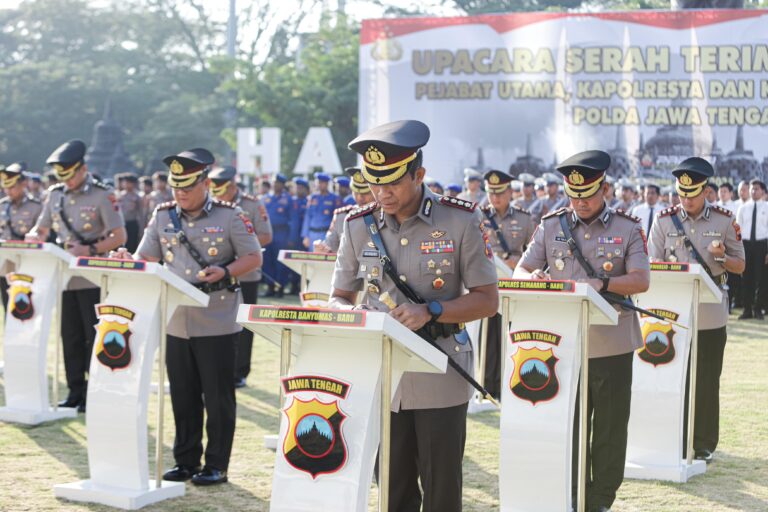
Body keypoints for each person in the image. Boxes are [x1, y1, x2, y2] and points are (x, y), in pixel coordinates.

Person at [329, 120, 499, 512]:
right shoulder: (358, 226)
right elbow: (337, 297)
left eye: (392, 183)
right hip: (383, 379)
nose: (382, 193)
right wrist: (353, 315)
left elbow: (487, 300)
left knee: (441, 490)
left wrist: (431, 310)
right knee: (392, 488)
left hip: (440, 371)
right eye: (374, 183)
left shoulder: (460, 220)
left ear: (418, 174)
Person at [112, 147, 262, 486]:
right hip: (176, 320)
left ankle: (217, 465)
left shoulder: (230, 216)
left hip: (217, 318)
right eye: (175, 187)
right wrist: (127, 257)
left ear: (205, 183)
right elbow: (146, 257)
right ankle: (186, 461)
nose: (180, 194)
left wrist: (224, 270)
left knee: (218, 397)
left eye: (187, 187)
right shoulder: (163, 216)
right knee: (182, 393)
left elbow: (253, 257)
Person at [514, 150, 651, 512]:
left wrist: (601, 282)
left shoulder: (627, 227)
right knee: (567, 422)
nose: (580, 202)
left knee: (608, 426)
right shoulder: (550, 225)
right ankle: (570, 491)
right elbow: (520, 272)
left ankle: (601, 497)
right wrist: (535, 277)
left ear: (604, 188)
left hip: (611, 341)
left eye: (587, 195)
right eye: (574, 196)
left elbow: (640, 280)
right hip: (562, 344)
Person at [648, 157, 745, 463]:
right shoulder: (664, 221)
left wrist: (722, 258)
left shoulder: (724, 220)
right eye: (681, 194)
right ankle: (673, 436)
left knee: (705, 379)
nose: (685, 199)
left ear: (706, 191)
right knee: (670, 375)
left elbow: (740, 265)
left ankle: (703, 443)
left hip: (709, 312)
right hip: (671, 314)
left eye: (692, 194)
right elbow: (651, 265)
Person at [26, 140, 127, 412]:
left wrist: (91, 249)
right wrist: (35, 236)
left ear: (83, 169)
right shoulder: (55, 195)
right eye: (62, 177)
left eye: (70, 175)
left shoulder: (102, 196)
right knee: (68, 335)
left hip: (94, 276)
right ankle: (74, 391)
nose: (67, 182)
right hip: (65, 275)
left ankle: (95, 391)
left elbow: (120, 236)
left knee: (92, 335)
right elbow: (42, 228)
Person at [209, 165, 273, 387]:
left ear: (233, 186)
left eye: (222, 191)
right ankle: (219, 368)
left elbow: (265, 235)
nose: (219, 196)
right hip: (218, 273)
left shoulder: (252, 204)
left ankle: (240, 372)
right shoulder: (211, 204)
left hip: (246, 273)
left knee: (244, 325)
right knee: (218, 322)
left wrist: (240, 249)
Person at [479, 169, 535, 398]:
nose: (495, 198)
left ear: (510, 192)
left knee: (510, 334)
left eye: (500, 193)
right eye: (491, 193)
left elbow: (533, 253)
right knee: (488, 335)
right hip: (487, 284)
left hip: (513, 285)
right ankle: (486, 385)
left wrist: (518, 262)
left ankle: (507, 382)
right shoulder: (479, 217)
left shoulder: (523, 218)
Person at [0, 164, 43, 310]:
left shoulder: (36, 206)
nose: (8, 191)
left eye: (12, 187)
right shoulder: (2, 205)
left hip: (28, 264)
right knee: (8, 306)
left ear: (23, 184)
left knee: (28, 307)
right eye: (6, 187)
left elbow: (43, 235)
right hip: (6, 265)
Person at [314, 167, 374, 253]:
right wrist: (322, 248)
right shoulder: (341, 216)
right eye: (356, 192)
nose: (360, 198)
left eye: (366, 193)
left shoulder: (385, 215)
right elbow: (330, 245)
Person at [735, 179, 767, 320]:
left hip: (762, 245)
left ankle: (758, 309)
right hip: (746, 245)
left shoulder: (767, 207)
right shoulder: (743, 208)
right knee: (746, 278)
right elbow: (737, 229)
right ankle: (747, 310)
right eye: (752, 189)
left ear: (763, 192)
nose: (754, 191)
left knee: (761, 279)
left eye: (757, 189)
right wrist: (737, 249)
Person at [262, 174, 298, 297]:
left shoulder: (288, 199)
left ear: (282, 185)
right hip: (267, 233)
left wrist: (291, 238)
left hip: (282, 234)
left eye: (278, 182)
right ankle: (270, 287)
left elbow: (294, 220)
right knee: (267, 261)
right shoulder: (265, 198)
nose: (275, 184)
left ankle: (280, 288)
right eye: (273, 182)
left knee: (280, 263)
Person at [301, 172, 342, 250]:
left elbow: (336, 219)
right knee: (312, 259)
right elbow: (307, 217)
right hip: (312, 234)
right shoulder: (312, 198)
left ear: (327, 184)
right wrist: (305, 236)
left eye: (322, 182)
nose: (320, 184)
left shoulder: (334, 198)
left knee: (324, 258)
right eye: (318, 182)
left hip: (326, 234)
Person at [116, 172, 144, 253]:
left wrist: (141, 228)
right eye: (124, 182)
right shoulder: (119, 195)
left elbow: (141, 213)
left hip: (132, 224)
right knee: (120, 245)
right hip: (121, 224)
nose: (125, 184)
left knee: (131, 245)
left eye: (128, 182)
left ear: (133, 184)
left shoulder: (137, 196)